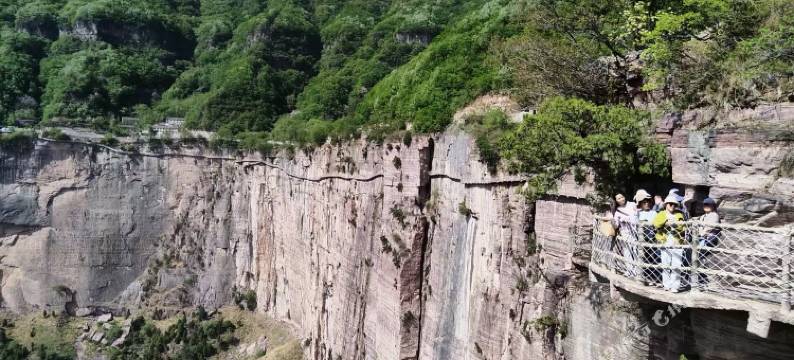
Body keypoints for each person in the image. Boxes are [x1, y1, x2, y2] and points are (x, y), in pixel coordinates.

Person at [653, 195, 686, 292]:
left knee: (676, 264)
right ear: (666, 205)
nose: (672, 206)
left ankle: (675, 286)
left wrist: (675, 224)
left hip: (676, 241)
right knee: (666, 264)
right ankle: (666, 285)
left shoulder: (679, 215)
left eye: (674, 204)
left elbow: (683, 228)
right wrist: (666, 221)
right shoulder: (661, 214)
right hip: (665, 241)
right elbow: (656, 224)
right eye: (670, 204)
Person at [634, 190, 659, 285]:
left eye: (648, 202)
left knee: (653, 259)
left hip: (652, 239)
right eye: (644, 202)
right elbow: (634, 221)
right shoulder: (638, 213)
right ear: (641, 204)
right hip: (641, 239)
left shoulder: (654, 213)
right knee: (642, 258)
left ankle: (654, 278)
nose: (647, 204)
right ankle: (644, 277)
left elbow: (656, 224)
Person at [694, 197, 721, 286]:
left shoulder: (714, 215)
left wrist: (701, 233)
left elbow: (709, 228)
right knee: (698, 259)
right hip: (701, 239)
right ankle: (700, 279)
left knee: (701, 259)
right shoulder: (703, 216)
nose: (706, 206)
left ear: (713, 206)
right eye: (705, 205)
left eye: (708, 205)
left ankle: (703, 280)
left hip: (709, 239)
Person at [613, 193, 639, 278]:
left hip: (635, 231)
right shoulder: (617, 211)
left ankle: (637, 271)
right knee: (627, 251)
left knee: (635, 251)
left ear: (625, 197)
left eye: (622, 197)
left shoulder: (632, 204)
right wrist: (612, 221)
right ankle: (629, 270)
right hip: (625, 232)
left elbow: (637, 215)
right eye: (618, 198)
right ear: (616, 200)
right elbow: (616, 225)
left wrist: (629, 219)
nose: (621, 199)